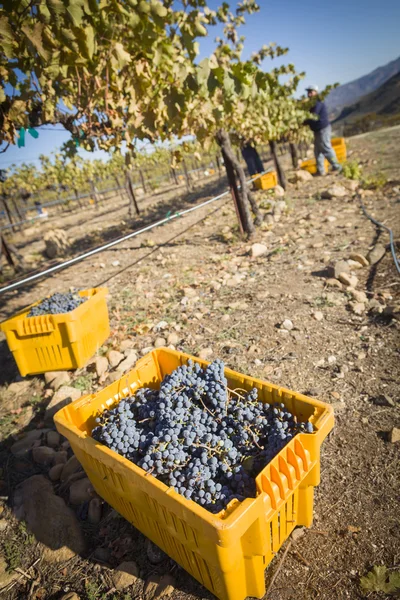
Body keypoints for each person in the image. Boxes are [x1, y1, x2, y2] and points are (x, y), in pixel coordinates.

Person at [304, 85, 342, 176]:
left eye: (311, 92)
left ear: (316, 92)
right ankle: (320, 170)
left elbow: (313, 116)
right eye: (308, 92)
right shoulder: (311, 103)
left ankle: (337, 166)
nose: (309, 94)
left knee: (325, 147)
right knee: (317, 151)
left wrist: (304, 121)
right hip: (317, 130)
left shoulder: (317, 102)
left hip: (323, 129)